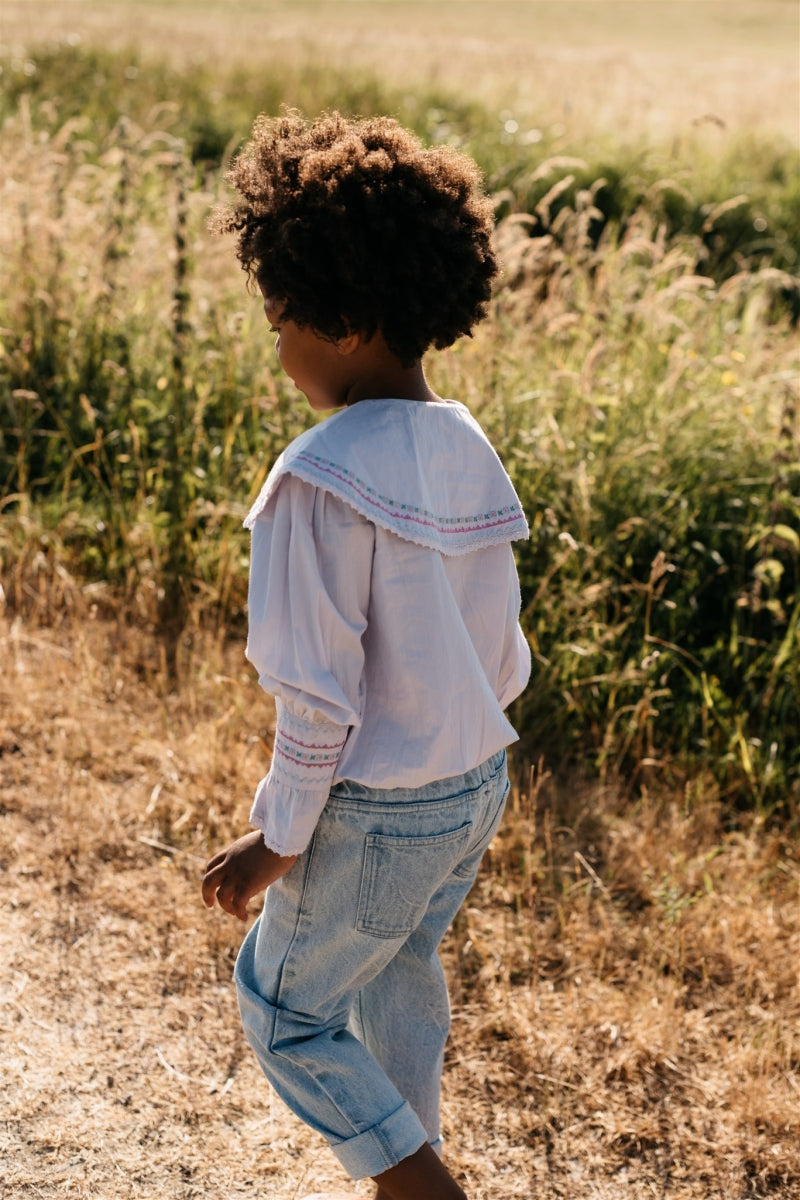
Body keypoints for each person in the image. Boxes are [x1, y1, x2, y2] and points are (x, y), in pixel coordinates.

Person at [201, 110, 531, 1200]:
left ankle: (418, 1189)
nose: (277, 343)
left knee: (284, 1010)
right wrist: (471, 761)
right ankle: (413, 1153)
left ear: (339, 320)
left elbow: (316, 703)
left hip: (376, 806)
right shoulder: (463, 439)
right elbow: (499, 644)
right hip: (471, 783)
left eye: (280, 318)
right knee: (396, 969)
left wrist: (276, 841)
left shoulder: (320, 476)